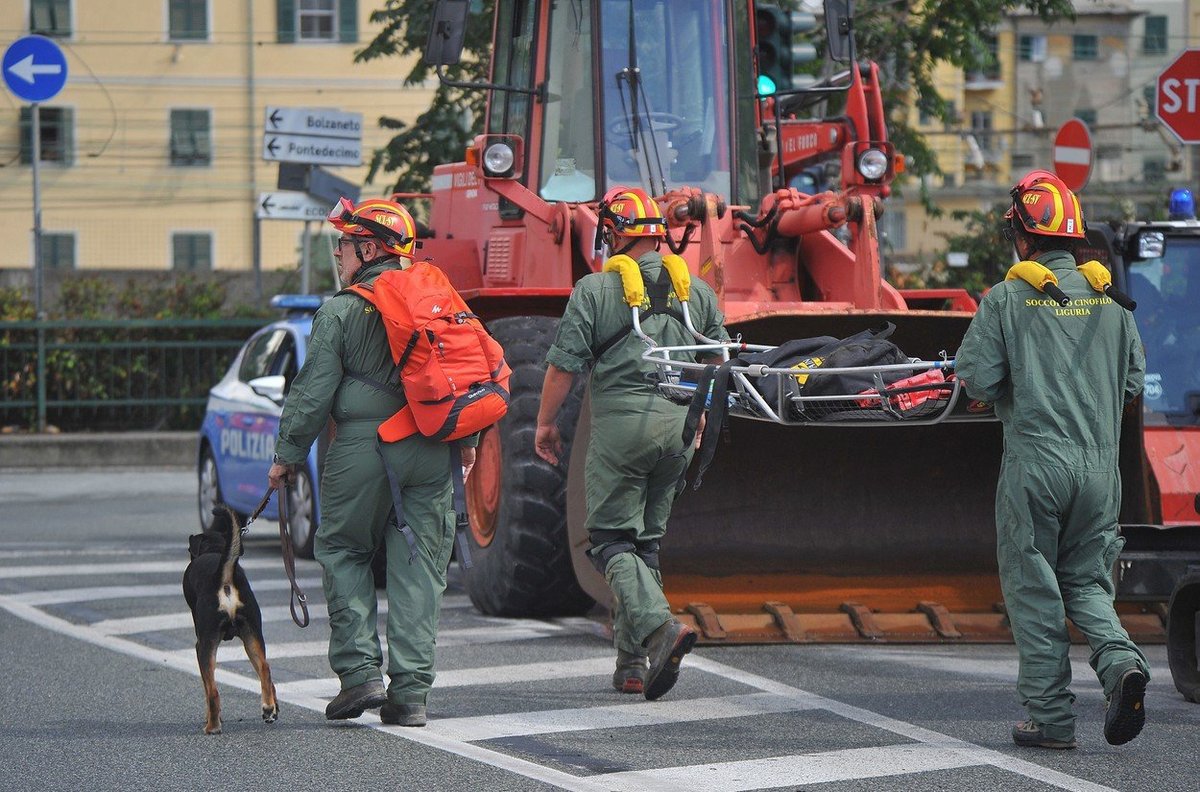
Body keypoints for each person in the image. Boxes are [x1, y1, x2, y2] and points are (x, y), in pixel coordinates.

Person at [956, 170, 1150, 750]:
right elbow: (1133, 382)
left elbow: (978, 379)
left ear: (1023, 235)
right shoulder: (1111, 300)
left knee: (1035, 586)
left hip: (1037, 466)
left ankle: (1052, 720)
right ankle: (1120, 665)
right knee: (1087, 582)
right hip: (1099, 470)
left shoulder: (1009, 297)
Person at [267, 197, 473, 728]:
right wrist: (466, 440)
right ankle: (410, 696)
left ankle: (360, 675)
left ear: (366, 247)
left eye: (343, 243)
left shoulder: (341, 309)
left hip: (363, 446)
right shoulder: (436, 299)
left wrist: (286, 456)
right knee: (420, 565)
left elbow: (313, 393)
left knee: (342, 547)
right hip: (431, 445)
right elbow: (467, 370)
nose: (337, 253)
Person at [535, 186, 729, 701]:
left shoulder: (595, 290)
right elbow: (717, 365)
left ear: (615, 234)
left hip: (622, 428)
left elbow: (562, 366)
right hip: (680, 430)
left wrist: (544, 425)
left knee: (609, 541)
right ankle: (632, 666)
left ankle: (660, 628)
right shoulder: (701, 293)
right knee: (644, 542)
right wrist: (702, 420)